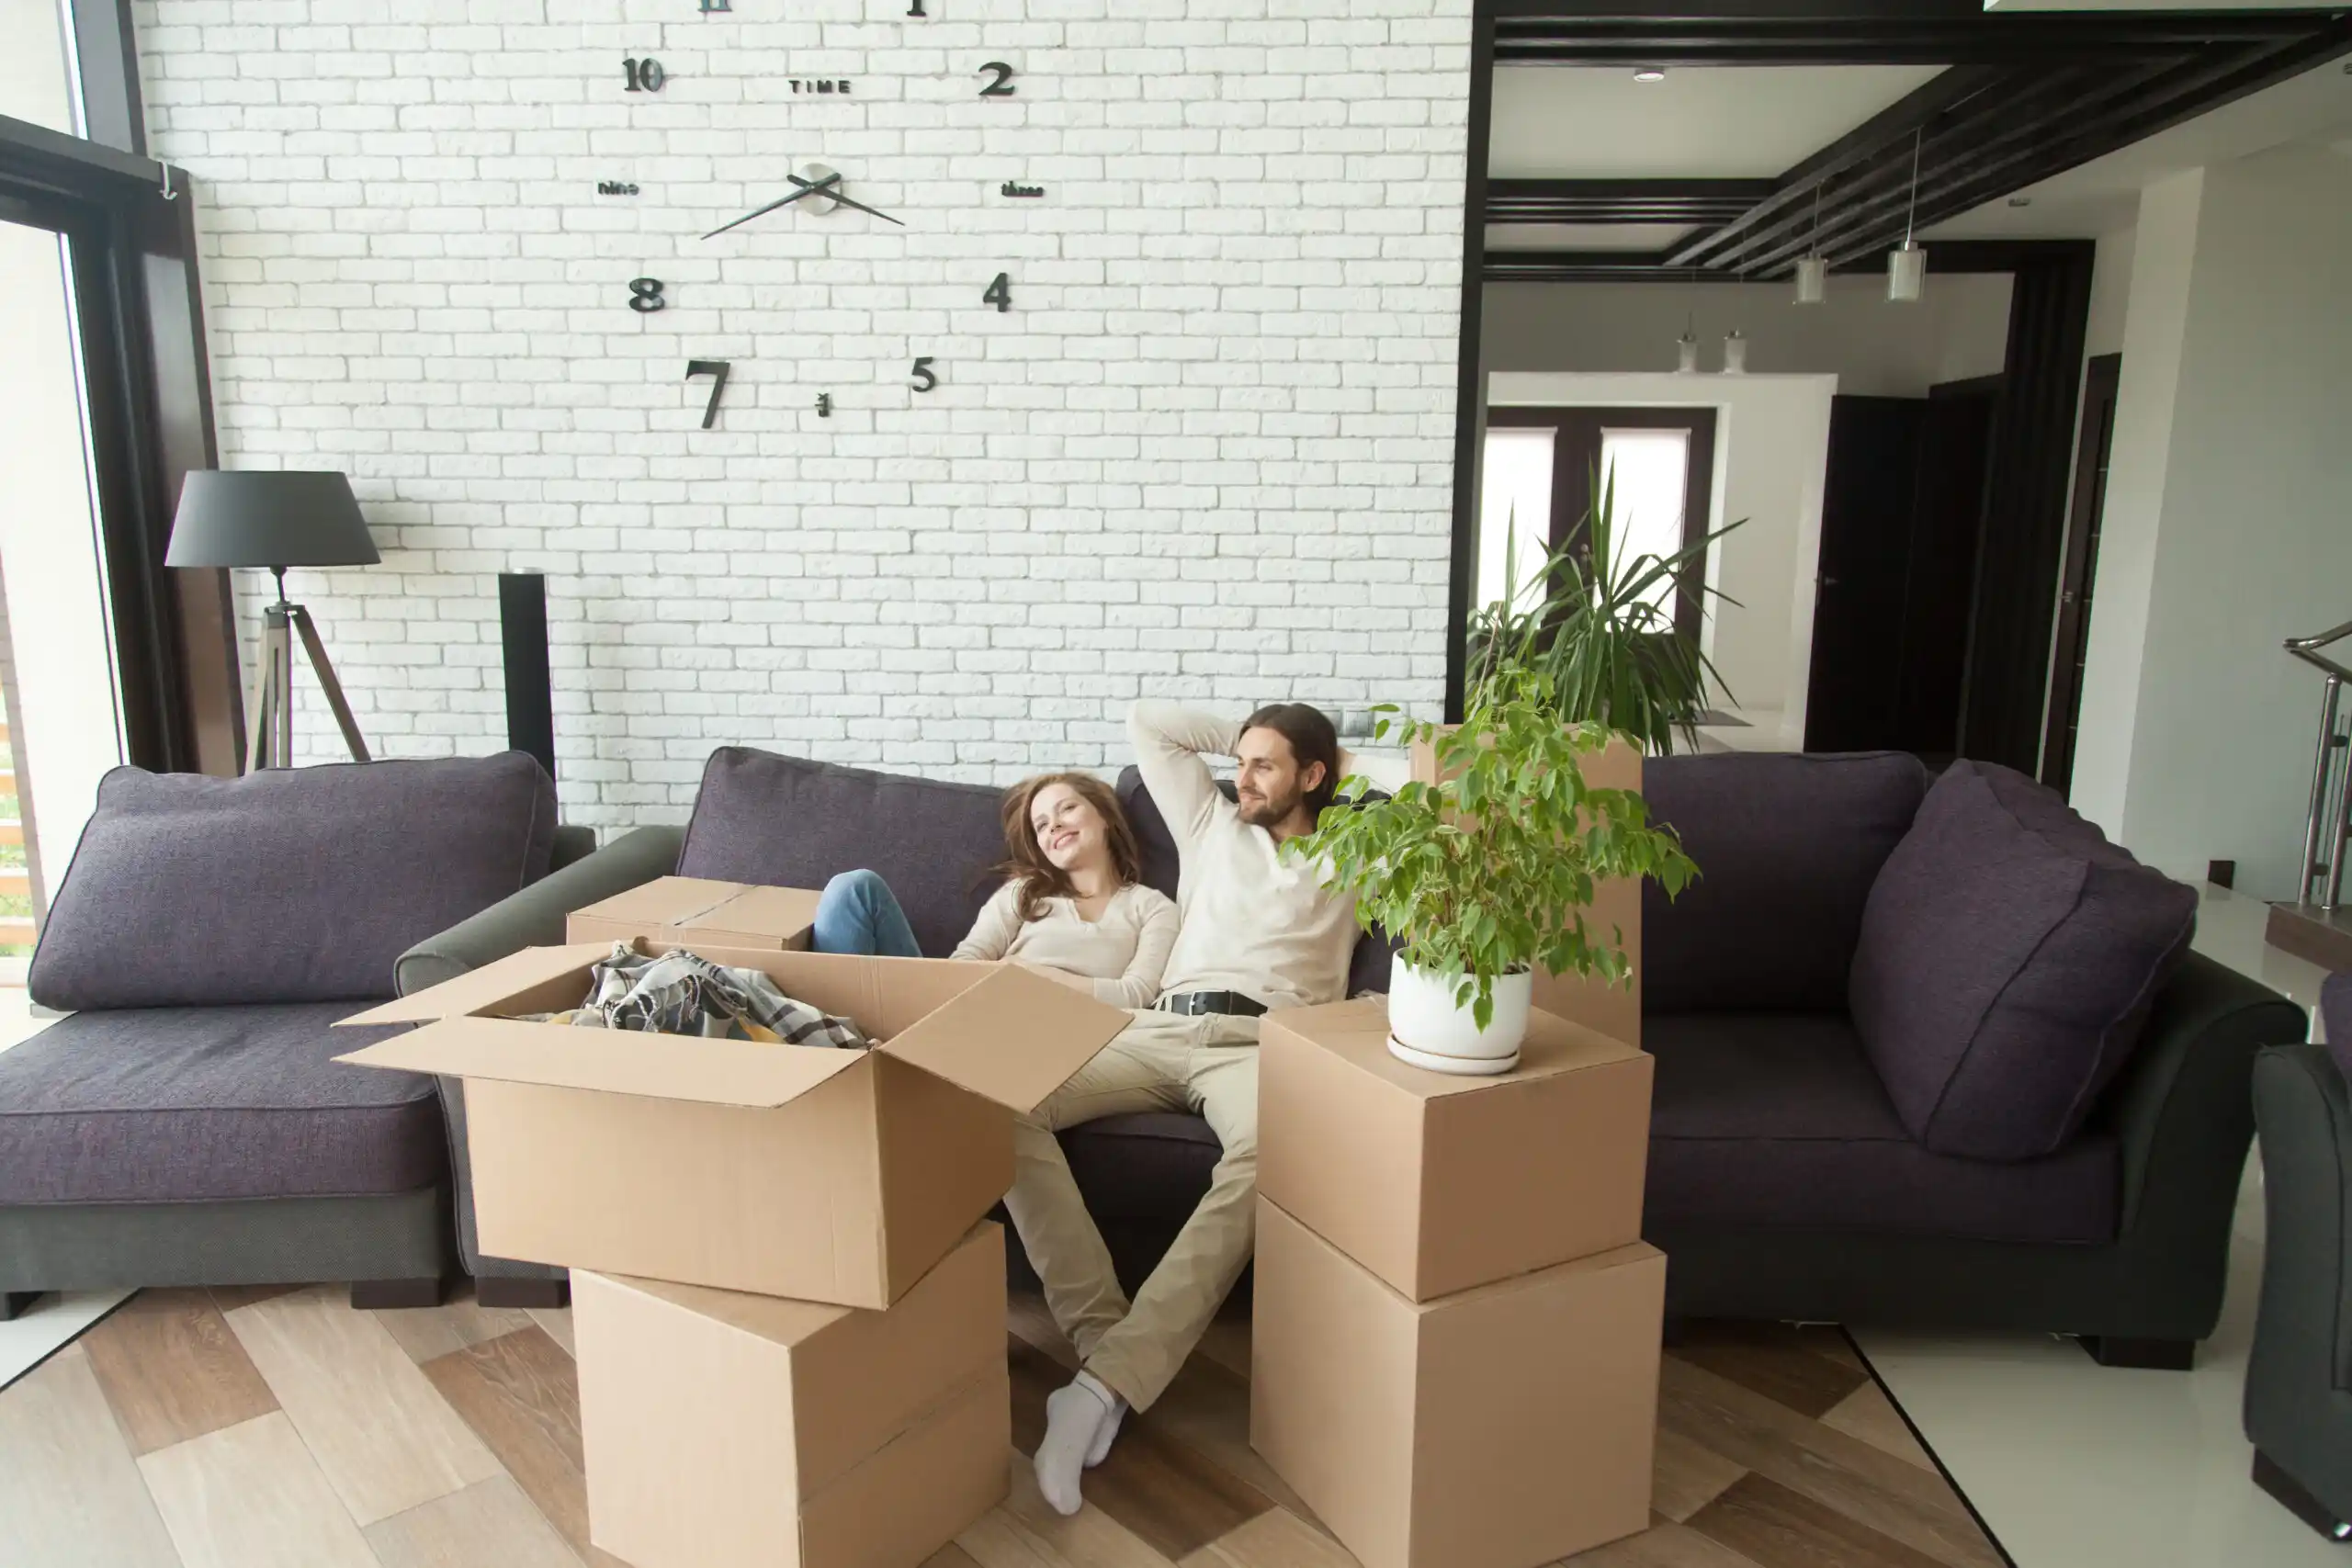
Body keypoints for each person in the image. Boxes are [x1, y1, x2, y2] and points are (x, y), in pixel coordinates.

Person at [1009, 699, 1359, 1516]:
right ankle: (1107, 1351)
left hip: (1264, 1042)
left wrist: (1347, 749)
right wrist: (1249, 735)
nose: (1243, 777)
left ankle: (1097, 1392)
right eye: (1241, 760)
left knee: (1273, 1158)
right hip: (1159, 1023)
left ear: (1315, 776)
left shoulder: (1361, 851)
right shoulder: (1211, 821)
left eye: (1265, 765)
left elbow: (1431, 785)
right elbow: (1150, 725)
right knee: (998, 1097)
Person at [809, 773, 1181, 1008]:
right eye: (1042, 824)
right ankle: (831, 1039)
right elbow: (966, 964)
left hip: (1054, 1036)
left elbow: (1136, 995)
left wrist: (1028, 977)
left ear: (1104, 816)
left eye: (1067, 809)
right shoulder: (1025, 893)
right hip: (971, 1010)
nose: (1054, 826)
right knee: (855, 888)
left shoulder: (1152, 908)